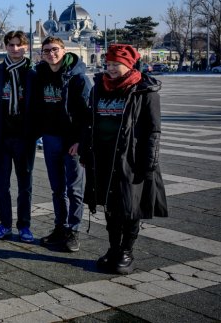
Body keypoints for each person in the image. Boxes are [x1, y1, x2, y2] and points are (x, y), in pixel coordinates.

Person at [82, 44, 167, 275]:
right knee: (110, 206)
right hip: (103, 156)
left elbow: (153, 130)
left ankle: (127, 251)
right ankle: (113, 248)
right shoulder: (99, 87)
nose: (110, 69)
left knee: (130, 206)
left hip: (131, 158)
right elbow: (90, 120)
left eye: (115, 65)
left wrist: (149, 162)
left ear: (128, 65)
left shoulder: (145, 91)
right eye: (107, 64)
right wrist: (85, 149)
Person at [35, 37, 92, 253]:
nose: (51, 53)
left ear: (64, 50)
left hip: (71, 140)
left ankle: (73, 231)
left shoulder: (79, 78)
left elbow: (88, 114)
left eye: (55, 49)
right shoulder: (41, 75)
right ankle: (60, 227)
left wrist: (80, 140)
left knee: (74, 188)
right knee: (56, 189)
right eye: (47, 50)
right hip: (50, 138)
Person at [0, 31, 39, 242]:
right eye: (11, 45)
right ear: (6, 47)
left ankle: (24, 225)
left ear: (26, 47)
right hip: (2, 137)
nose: (15, 49)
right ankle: (4, 223)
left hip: (24, 138)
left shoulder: (33, 74)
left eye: (19, 45)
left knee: (25, 184)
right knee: (1, 184)